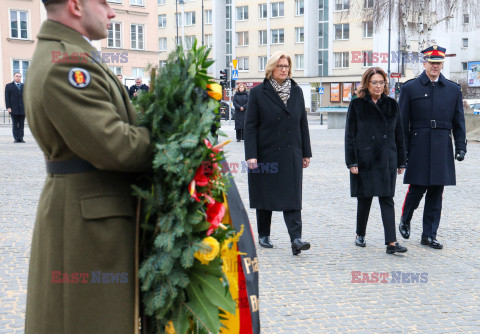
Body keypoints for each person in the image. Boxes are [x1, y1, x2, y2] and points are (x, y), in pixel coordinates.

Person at [23, 0, 152, 333]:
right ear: (76, 5)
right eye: (104, 2)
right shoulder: (67, 63)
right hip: (88, 223)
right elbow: (115, 146)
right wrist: (173, 137)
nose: (111, 12)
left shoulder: (71, 54)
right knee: (85, 321)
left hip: (88, 214)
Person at [398, 45, 467, 249]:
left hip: (441, 144)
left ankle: (429, 234)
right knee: (417, 187)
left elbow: (459, 121)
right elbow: (402, 123)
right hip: (418, 143)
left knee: (437, 191)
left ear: (442, 64)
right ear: (424, 63)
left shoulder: (453, 90)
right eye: (431, 62)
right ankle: (405, 219)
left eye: (438, 63)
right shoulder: (410, 88)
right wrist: (404, 151)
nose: (435, 66)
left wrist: (461, 146)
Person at [244, 51, 312, 256]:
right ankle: (264, 234)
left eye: (287, 66)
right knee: (265, 193)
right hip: (266, 152)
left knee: (292, 195)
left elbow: (302, 123)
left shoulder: (297, 91)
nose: (284, 70)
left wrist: (306, 152)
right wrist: (251, 155)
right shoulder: (257, 93)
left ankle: (296, 239)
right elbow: (250, 126)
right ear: (271, 68)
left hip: (291, 151)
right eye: (280, 66)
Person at [345, 67, 408, 254]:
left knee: (387, 198)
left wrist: (401, 161)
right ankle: (360, 234)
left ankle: (391, 243)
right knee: (365, 198)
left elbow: (399, 134)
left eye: (381, 82)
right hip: (365, 158)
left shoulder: (391, 104)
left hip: (387, 157)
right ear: (367, 83)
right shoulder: (357, 105)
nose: (378, 86)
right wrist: (352, 162)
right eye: (375, 82)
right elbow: (350, 136)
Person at [5, 72, 25, 143]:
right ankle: (16, 138)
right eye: (17, 76)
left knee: (22, 125)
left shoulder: (24, 86)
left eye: (20, 76)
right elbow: (7, 98)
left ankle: (21, 138)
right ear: (14, 77)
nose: (18, 77)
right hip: (13, 109)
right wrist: (8, 107)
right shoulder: (9, 86)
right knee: (15, 125)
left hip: (22, 109)